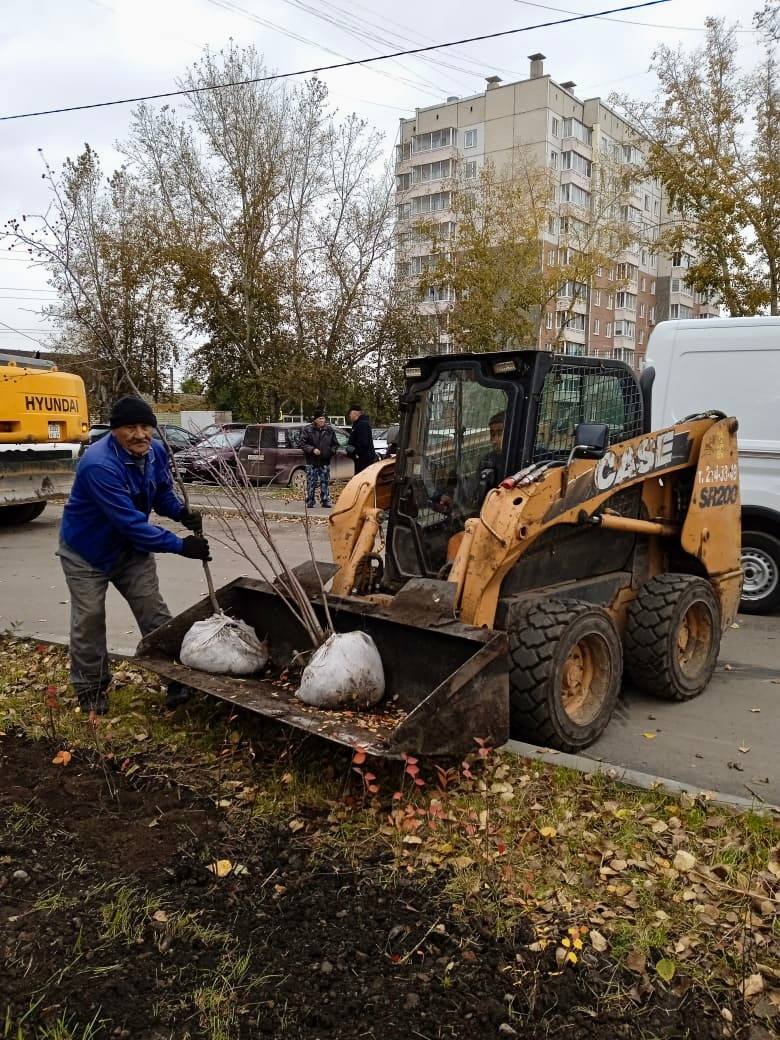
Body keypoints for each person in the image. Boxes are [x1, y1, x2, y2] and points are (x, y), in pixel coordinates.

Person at [57, 395, 211, 715]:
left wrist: (180, 513)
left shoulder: (154, 451)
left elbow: (160, 493)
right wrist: (181, 546)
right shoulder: (99, 465)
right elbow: (130, 523)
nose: (140, 434)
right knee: (89, 620)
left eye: (145, 426)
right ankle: (90, 689)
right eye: (130, 427)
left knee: (154, 612)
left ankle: (176, 679)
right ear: (115, 431)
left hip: (130, 553)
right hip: (87, 554)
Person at [299, 410, 340, 509]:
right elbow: (302, 444)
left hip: (325, 460)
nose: (322, 420)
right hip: (312, 460)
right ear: (315, 420)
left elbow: (335, 444)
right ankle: (310, 500)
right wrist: (312, 450)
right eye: (320, 418)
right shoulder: (308, 429)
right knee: (311, 481)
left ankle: (325, 500)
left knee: (325, 481)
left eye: (323, 418)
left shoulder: (329, 430)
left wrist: (331, 451)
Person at [346, 403, 378, 473]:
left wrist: (354, 451)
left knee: (362, 478)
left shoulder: (362, 424)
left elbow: (363, 443)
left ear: (355, 413)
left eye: (350, 414)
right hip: (360, 459)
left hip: (364, 460)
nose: (349, 416)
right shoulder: (357, 424)